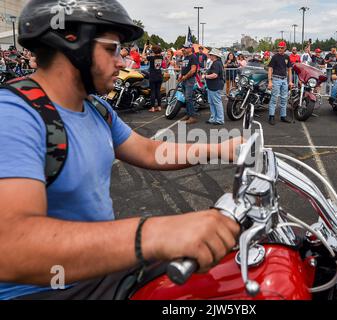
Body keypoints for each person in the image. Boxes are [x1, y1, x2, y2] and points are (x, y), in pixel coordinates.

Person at [0, 0, 241, 300]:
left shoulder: (97, 108)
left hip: (99, 269)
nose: (123, 61)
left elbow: (149, 151)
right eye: (112, 48)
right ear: (72, 44)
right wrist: (153, 234)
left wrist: (224, 149)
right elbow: (11, 246)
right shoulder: (13, 114)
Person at [267, 41, 293, 126]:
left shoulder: (287, 57)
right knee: (274, 98)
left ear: (285, 48)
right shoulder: (275, 57)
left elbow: (289, 69)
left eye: (282, 48)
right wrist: (270, 81)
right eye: (279, 47)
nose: (280, 49)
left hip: (284, 80)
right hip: (276, 79)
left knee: (284, 99)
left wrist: (290, 81)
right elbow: (270, 68)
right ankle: (271, 116)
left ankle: (283, 116)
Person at [202, 48, 225, 125]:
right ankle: (214, 118)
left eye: (211, 55)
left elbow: (215, 75)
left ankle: (219, 119)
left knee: (216, 103)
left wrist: (205, 76)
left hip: (215, 86)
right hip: (212, 86)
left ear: (215, 56)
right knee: (212, 103)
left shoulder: (216, 63)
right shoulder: (217, 63)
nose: (209, 56)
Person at [178, 43, 199, 124]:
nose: (184, 49)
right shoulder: (186, 57)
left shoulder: (193, 57)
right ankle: (188, 114)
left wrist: (185, 77)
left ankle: (192, 116)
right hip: (184, 79)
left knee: (188, 98)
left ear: (190, 48)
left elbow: (193, 70)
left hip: (189, 80)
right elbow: (183, 68)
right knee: (186, 98)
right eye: (184, 47)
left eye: (186, 48)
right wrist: (181, 75)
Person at [142, 45, 164, 112]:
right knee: (158, 91)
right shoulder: (161, 57)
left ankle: (153, 107)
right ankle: (159, 106)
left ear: (153, 51)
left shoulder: (151, 57)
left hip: (153, 76)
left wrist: (145, 48)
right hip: (159, 75)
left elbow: (142, 57)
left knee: (153, 92)